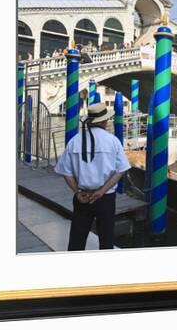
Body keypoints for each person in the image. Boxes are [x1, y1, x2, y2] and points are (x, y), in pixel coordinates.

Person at [54, 103, 131, 251]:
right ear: (104, 121)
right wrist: (102, 191)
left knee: (77, 239)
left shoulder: (74, 141)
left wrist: (77, 192)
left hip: (82, 197)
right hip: (106, 197)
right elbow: (120, 171)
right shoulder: (113, 141)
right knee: (106, 240)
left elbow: (66, 172)